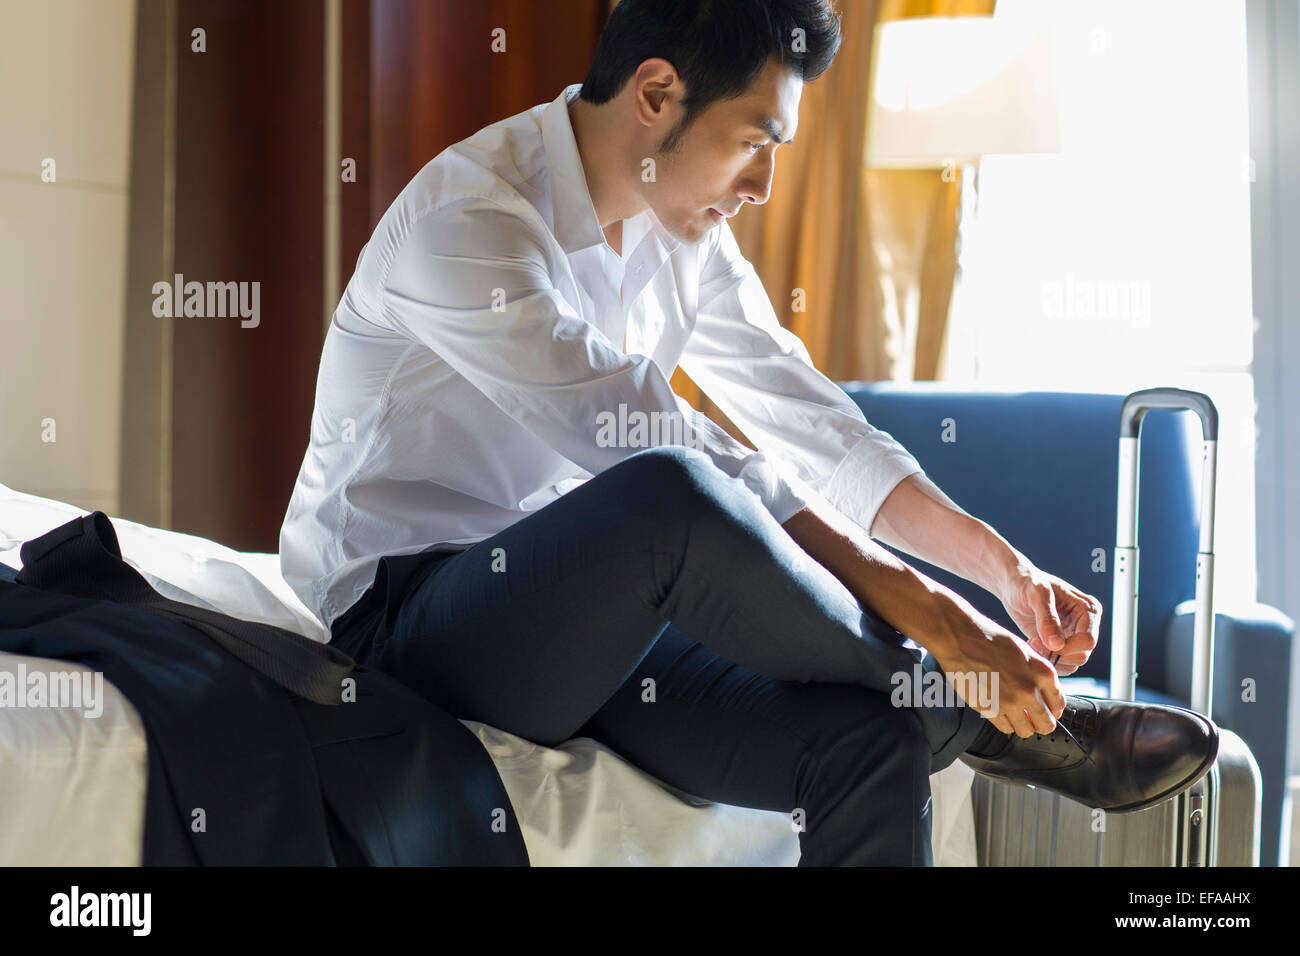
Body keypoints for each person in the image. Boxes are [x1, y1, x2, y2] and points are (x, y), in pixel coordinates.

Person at [280, 0, 1217, 865]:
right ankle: (988, 723)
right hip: (402, 621)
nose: (767, 183)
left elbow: (806, 418)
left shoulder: (681, 235)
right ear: (657, 94)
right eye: (756, 140)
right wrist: (940, 625)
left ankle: (945, 712)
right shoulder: (470, 220)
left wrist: (995, 570)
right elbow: (666, 449)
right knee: (669, 493)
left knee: (870, 739)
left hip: (593, 619)